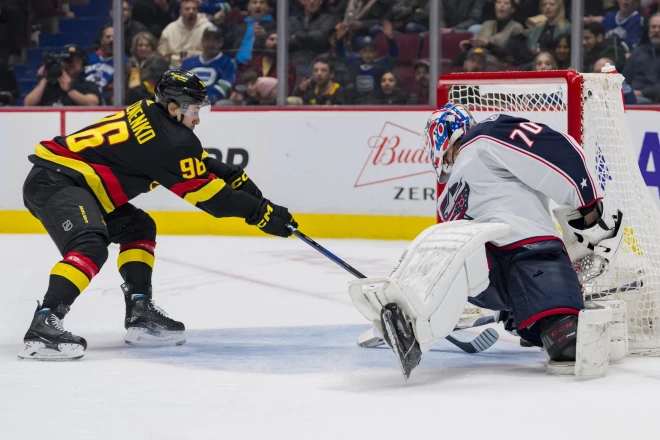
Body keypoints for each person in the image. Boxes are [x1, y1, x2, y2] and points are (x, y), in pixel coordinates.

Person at [18, 69, 298, 361]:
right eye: (194, 109)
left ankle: (141, 311)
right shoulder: (173, 142)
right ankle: (44, 323)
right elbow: (214, 200)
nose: (198, 117)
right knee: (90, 244)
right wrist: (262, 214)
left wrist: (260, 201)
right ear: (174, 107)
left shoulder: (153, 114)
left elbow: (214, 168)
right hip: (58, 182)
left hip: (69, 181)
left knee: (138, 228)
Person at [350, 104, 623, 378]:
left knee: (566, 341)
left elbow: (552, 145)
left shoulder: (484, 137)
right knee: (448, 249)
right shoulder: (446, 199)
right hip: (502, 268)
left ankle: (527, 314)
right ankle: (419, 316)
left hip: (527, 253)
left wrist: (586, 199)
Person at [23, 44, 101, 107]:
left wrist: (70, 90)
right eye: (67, 61)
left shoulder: (87, 85)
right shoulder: (48, 85)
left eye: (76, 61)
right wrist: (46, 77)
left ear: (82, 63)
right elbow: (28, 104)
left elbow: (93, 104)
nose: (70, 64)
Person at [181, 25, 237, 104]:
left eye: (214, 40)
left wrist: (202, 98)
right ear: (202, 41)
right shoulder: (188, 62)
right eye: (207, 40)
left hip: (213, 104)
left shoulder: (227, 63)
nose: (210, 44)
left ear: (221, 42)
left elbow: (224, 88)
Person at [158, 0, 212, 68]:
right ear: (181, 12)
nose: (191, 12)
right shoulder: (169, 30)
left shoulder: (208, 28)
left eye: (194, 9)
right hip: (175, 69)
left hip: (202, 68)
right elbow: (162, 56)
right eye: (187, 9)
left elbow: (213, 53)